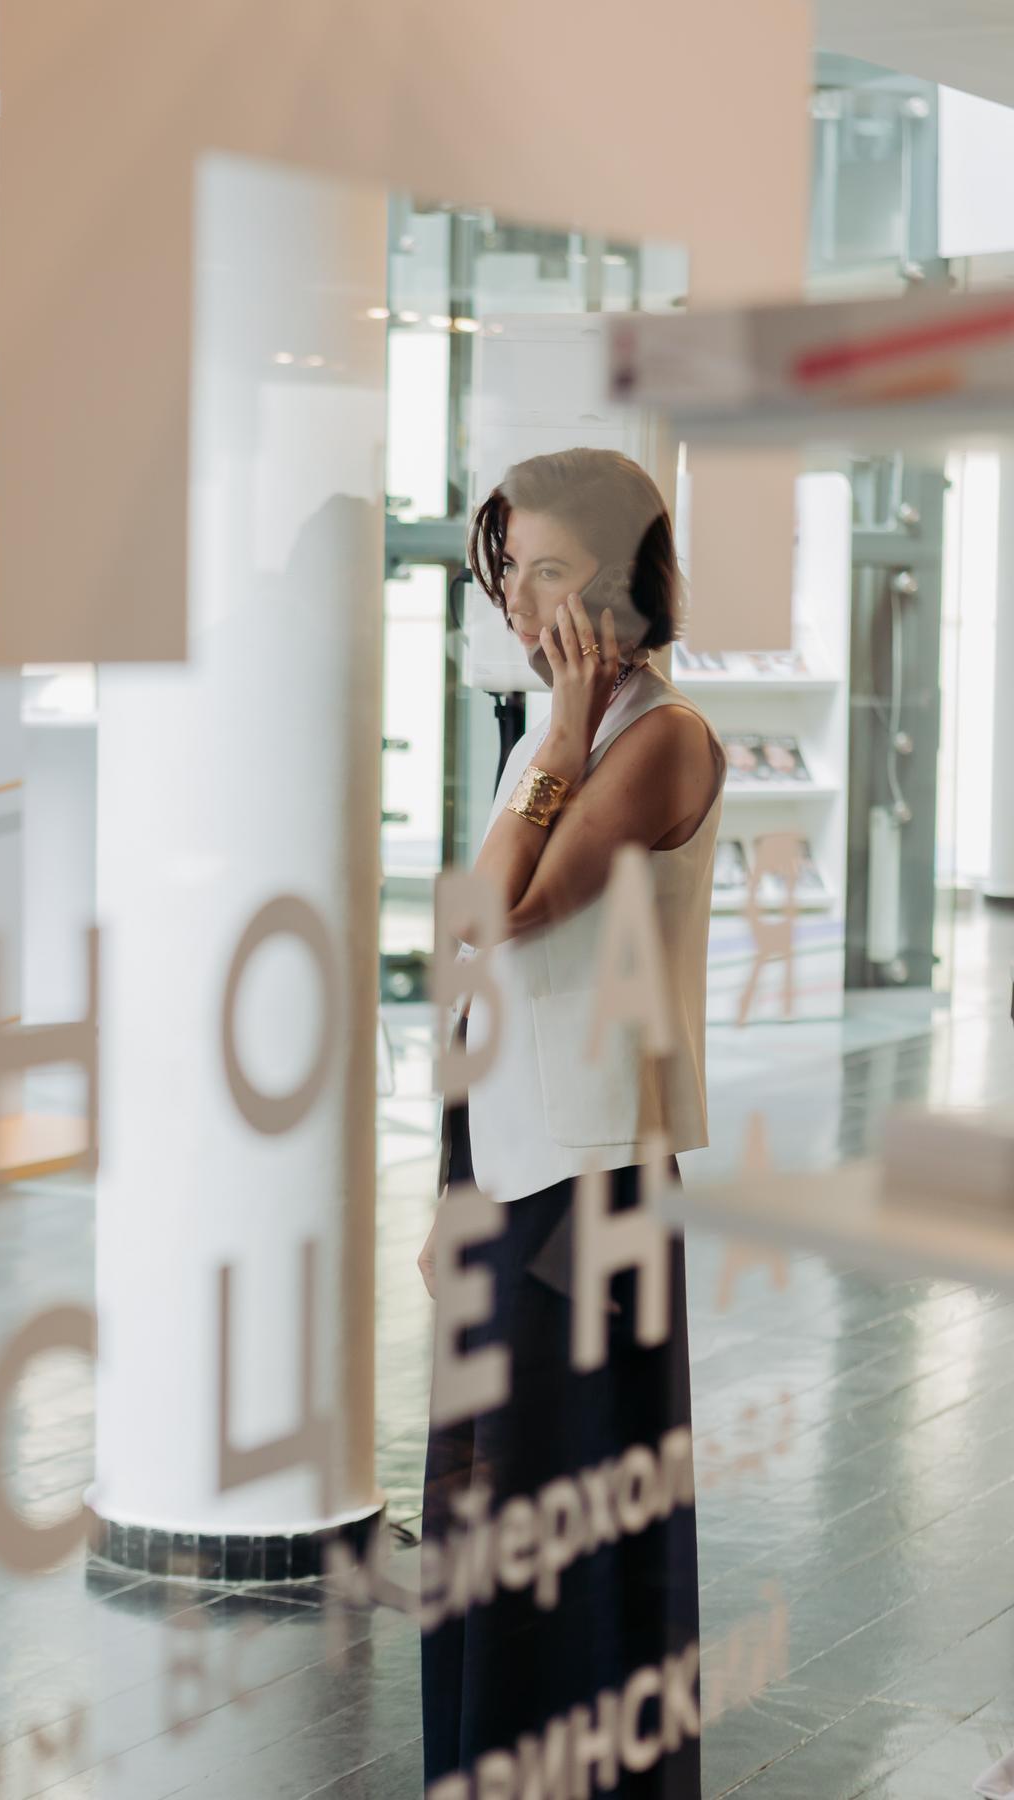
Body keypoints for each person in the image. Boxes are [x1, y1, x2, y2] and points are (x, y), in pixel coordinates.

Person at [418, 447, 726, 1796]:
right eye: (509, 570)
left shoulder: (656, 738)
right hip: (510, 1175)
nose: (518, 598)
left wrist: (555, 735)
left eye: (550, 569)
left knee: (568, 1515)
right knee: (491, 1512)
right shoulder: (566, 732)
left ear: (621, 581)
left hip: (587, 1189)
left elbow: (499, 916)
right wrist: (447, 1191)